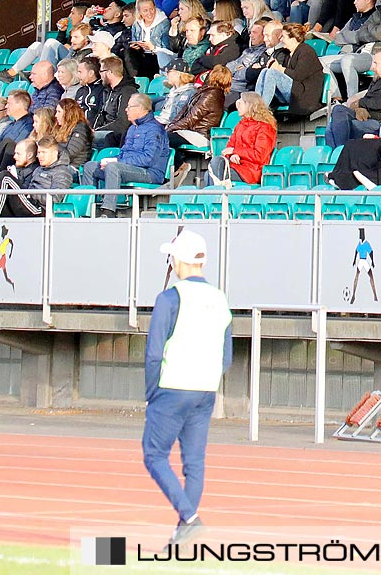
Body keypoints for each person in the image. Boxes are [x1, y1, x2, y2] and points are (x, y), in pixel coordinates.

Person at [144, 229, 232, 544]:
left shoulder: (169, 298)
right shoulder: (220, 298)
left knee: (154, 455)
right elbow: (227, 355)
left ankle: (190, 519)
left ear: (179, 260)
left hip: (172, 386)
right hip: (205, 388)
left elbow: (154, 352)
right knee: (194, 462)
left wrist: (151, 393)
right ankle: (183, 533)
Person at [210, 92, 277, 186]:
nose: (238, 105)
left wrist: (236, 151)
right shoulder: (241, 124)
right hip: (236, 166)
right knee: (212, 169)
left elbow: (259, 155)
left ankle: (221, 198)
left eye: (241, 103)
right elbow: (229, 148)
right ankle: (219, 197)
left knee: (215, 173)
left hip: (251, 171)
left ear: (250, 106)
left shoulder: (265, 128)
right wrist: (232, 155)